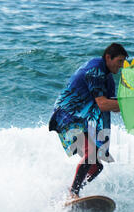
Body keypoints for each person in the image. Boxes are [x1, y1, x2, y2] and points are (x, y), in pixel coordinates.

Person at [49, 43, 128, 199]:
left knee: (96, 166)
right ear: (108, 57)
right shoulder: (95, 70)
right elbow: (103, 104)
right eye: (119, 61)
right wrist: (126, 104)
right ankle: (73, 192)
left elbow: (114, 106)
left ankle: (71, 191)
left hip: (78, 119)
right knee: (90, 154)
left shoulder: (108, 78)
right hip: (66, 115)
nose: (121, 66)